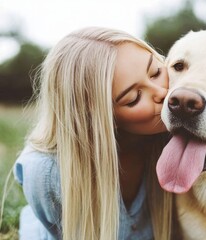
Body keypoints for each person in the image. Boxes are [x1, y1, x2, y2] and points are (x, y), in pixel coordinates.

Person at [13, 26, 177, 240]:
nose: (163, 93)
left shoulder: (182, 134)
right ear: (102, 118)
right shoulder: (47, 173)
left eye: (155, 72)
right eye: (134, 98)